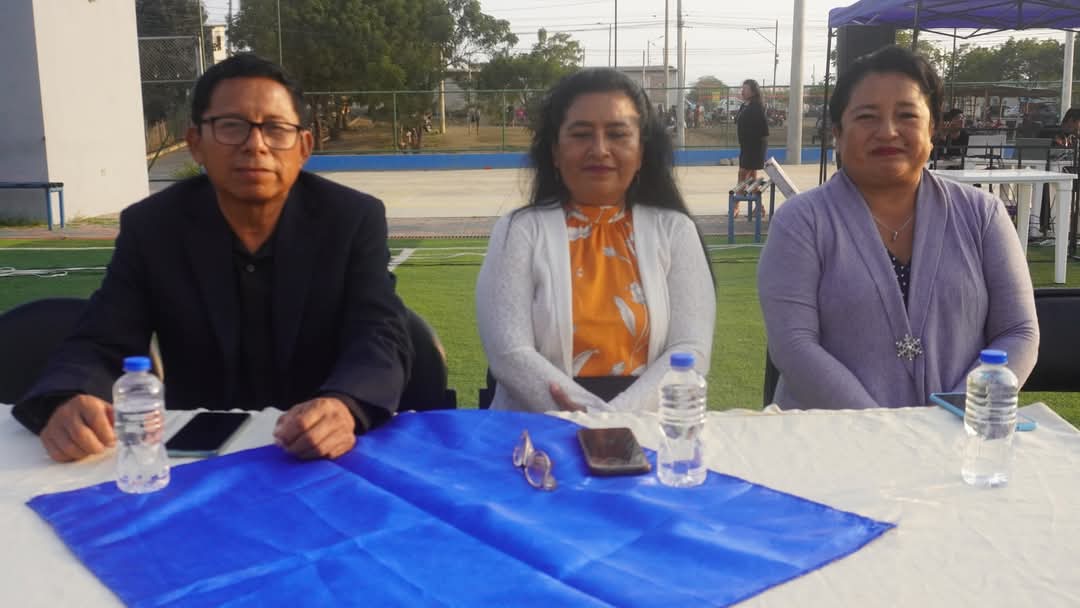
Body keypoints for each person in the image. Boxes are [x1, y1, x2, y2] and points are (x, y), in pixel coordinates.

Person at [12, 54, 413, 461]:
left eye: (276, 129)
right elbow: (103, 337)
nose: (255, 145)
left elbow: (379, 331)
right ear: (195, 144)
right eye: (231, 126)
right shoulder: (153, 228)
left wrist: (345, 403)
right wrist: (68, 398)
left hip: (317, 455)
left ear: (304, 147)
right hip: (196, 459)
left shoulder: (350, 220)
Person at [757, 46, 1038, 410]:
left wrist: (957, 412)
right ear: (838, 133)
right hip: (830, 437)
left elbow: (1018, 332)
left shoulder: (982, 214)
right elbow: (793, 345)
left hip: (959, 434)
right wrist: (885, 430)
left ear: (932, 129)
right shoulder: (801, 222)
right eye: (867, 117)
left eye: (906, 115)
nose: (888, 132)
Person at [475, 68, 715, 413]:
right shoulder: (518, 231)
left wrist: (614, 420)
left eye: (617, 134)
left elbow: (691, 348)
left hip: (648, 429)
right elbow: (509, 354)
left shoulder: (675, 230)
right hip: (540, 427)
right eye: (581, 134)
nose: (600, 150)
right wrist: (591, 418)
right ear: (555, 152)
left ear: (641, 151)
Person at [735, 79, 769, 217]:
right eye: (742, 88)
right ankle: (759, 207)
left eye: (745, 89)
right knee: (752, 178)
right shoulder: (745, 106)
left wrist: (751, 138)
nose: (742, 91)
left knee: (742, 174)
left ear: (753, 92)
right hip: (745, 146)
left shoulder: (757, 107)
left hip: (754, 148)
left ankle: (735, 206)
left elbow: (764, 130)